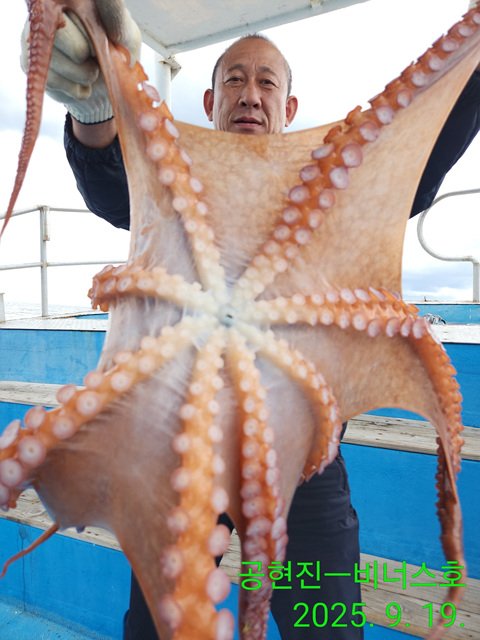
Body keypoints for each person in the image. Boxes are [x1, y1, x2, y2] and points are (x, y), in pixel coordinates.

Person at [20, 1, 480, 639]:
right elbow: (112, 187)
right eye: (235, 79)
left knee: (325, 624)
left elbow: (413, 162)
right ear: (211, 101)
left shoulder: (331, 196)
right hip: (187, 455)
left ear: (288, 107)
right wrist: (96, 111)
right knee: (158, 624)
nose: (250, 94)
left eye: (266, 82)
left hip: (309, 463)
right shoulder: (179, 184)